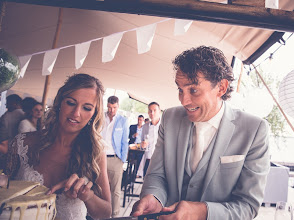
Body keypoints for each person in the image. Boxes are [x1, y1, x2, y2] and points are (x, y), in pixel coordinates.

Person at [131, 46, 270, 220]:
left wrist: (203, 211)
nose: (184, 100)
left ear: (221, 87)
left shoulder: (255, 130)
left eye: (193, 90)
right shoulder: (169, 118)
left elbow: (248, 206)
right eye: (180, 90)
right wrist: (154, 196)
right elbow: (157, 175)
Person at [4, 73, 112, 220]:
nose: (76, 113)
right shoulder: (23, 143)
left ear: (93, 114)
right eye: (71, 103)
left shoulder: (95, 154)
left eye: (86, 108)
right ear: (60, 103)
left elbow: (105, 213)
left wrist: (88, 195)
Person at [101, 95, 129, 217]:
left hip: (115, 159)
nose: (112, 110)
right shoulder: (101, 118)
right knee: (99, 188)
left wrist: (122, 160)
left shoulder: (122, 121)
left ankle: (115, 215)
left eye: (114, 107)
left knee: (115, 190)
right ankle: (101, 214)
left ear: (118, 106)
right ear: (107, 105)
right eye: (109, 107)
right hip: (100, 158)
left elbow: (124, 142)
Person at [140, 102, 162, 176]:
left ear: (159, 111)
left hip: (161, 162)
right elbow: (142, 146)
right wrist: (142, 146)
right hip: (148, 160)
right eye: (150, 110)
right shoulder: (145, 127)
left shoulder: (165, 126)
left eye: (155, 110)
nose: (152, 113)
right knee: (146, 183)